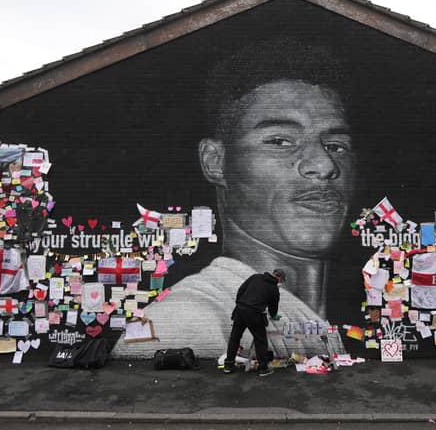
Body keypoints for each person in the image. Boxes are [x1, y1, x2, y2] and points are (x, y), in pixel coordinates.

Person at [112, 38, 356, 359]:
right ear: (215, 162)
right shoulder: (187, 322)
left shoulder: (314, 317)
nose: (324, 165)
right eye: (280, 141)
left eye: (336, 145)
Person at [224, 268, 285, 376]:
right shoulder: (274, 289)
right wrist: (274, 315)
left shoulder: (255, 277)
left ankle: (228, 366)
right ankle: (263, 369)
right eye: (281, 281)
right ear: (279, 278)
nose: (280, 283)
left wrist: (240, 304)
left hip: (240, 310)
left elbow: (241, 290)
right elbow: (273, 307)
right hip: (254, 314)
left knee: (235, 337)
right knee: (260, 340)